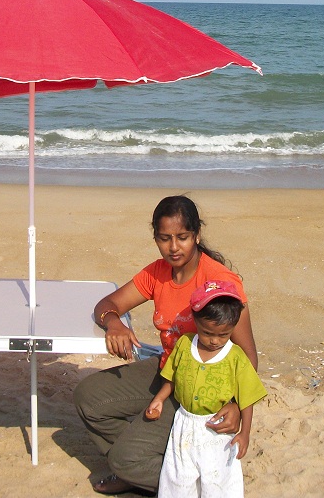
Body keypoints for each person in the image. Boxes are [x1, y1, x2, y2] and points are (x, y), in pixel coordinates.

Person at [73, 195, 259, 496]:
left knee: (125, 459)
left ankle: (163, 477)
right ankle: (140, 469)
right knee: (88, 397)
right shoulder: (157, 273)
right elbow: (106, 304)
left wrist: (236, 405)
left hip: (199, 393)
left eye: (182, 237)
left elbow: (248, 357)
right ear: (156, 238)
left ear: (196, 235)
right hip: (167, 371)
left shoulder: (220, 283)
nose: (173, 247)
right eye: (164, 238)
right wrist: (114, 322)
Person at [145, 281, 267, 498]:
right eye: (208, 333)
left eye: (224, 335)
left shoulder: (236, 358)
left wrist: (244, 433)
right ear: (195, 320)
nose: (214, 341)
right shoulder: (184, 344)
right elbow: (172, 378)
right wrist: (159, 399)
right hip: (184, 424)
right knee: (178, 478)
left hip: (218, 430)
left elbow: (246, 398)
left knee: (218, 481)